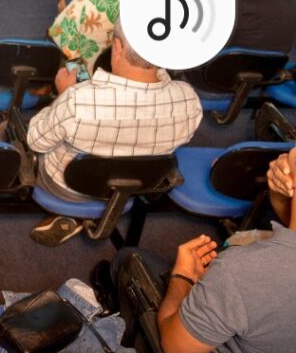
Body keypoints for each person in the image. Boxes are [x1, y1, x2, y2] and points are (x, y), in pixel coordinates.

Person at [22, 19, 201, 245]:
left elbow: (36, 141)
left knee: (10, 131)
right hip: (136, 186)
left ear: (117, 47)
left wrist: (63, 95)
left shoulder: (79, 100)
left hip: (68, 187)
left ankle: (72, 213)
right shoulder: (188, 99)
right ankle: (81, 217)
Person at [120, 149, 296, 353]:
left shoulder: (242, 272)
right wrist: (281, 196)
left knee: (126, 258)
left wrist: (182, 279)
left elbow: (176, 348)